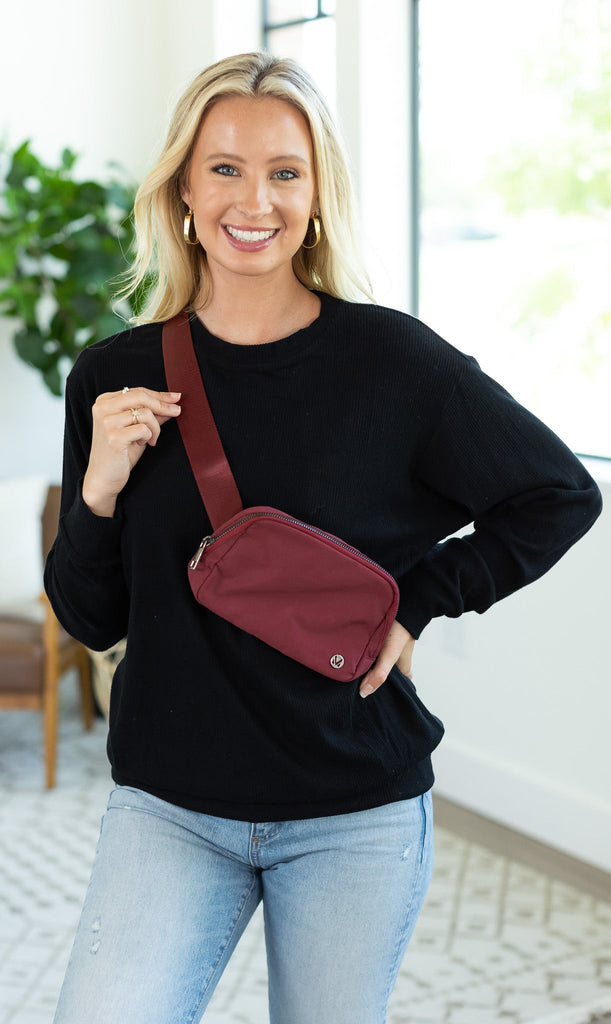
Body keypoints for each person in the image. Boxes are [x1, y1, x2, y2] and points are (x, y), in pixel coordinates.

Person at [45, 52, 602, 1024]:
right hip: (172, 804)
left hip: (353, 808)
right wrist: (97, 490)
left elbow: (557, 492)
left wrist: (420, 599)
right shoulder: (114, 377)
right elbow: (91, 617)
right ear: (183, 189)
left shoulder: (394, 362)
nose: (253, 199)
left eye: (284, 172)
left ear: (315, 195)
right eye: (224, 168)